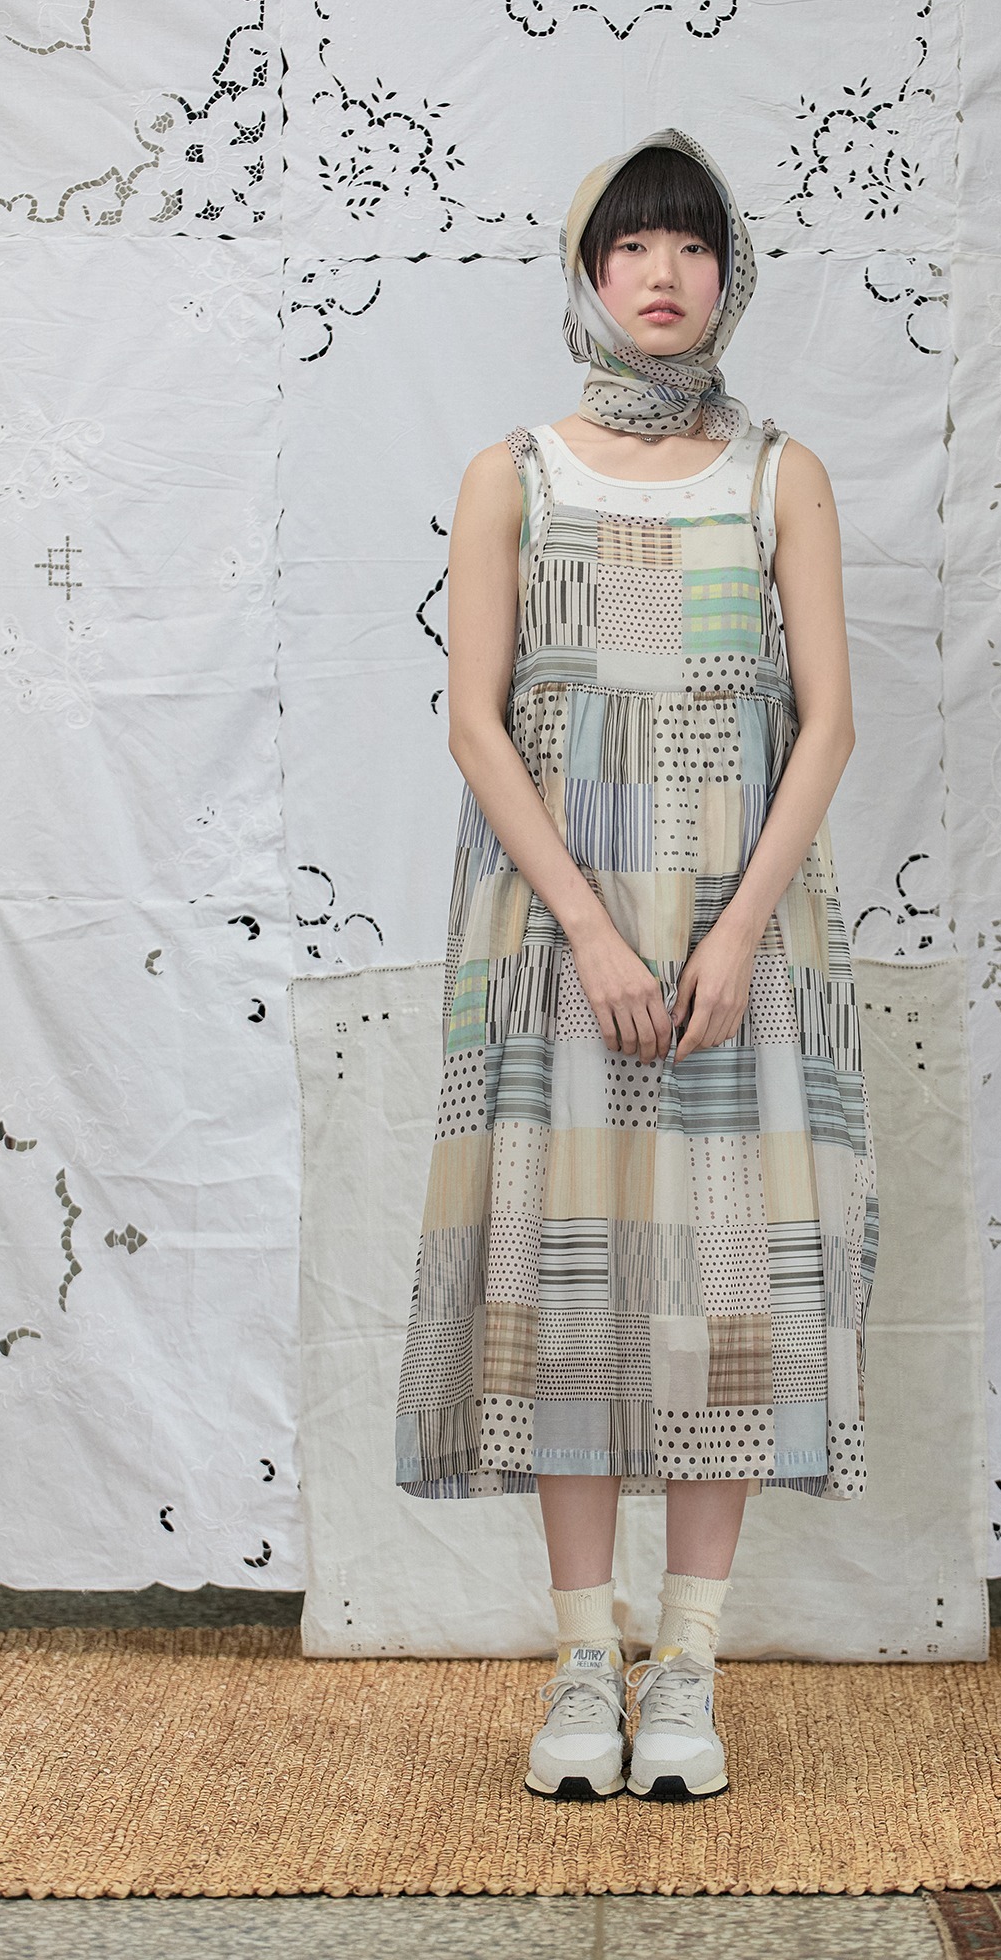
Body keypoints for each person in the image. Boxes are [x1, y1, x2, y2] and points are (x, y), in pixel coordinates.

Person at [394, 127, 879, 1802]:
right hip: (553, 934)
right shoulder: (512, 474)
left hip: (745, 936)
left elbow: (824, 725)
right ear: (586, 274)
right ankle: (582, 1661)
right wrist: (591, 930)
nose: (660, 275)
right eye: (629, 247)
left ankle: (690, 1662)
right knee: (571, 1285)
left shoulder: (779, 476)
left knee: (726, 1288)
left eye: (688, 246)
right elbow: (478, 724)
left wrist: (734, 931)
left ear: (726, 277)